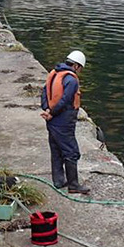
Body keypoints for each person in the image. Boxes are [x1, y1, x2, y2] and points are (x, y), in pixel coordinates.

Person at [39, 50, 90, 194]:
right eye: (80, 68)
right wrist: (52, 112)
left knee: (56, 150)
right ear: (76, 66)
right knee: (71, 151)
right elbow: (65, 100)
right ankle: (73, 185)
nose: (79, 72)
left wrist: (47, 109)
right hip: (63, 122)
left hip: (52, 121)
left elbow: (44, 92)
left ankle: (58, 180)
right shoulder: (71, 80)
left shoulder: (54, 73)